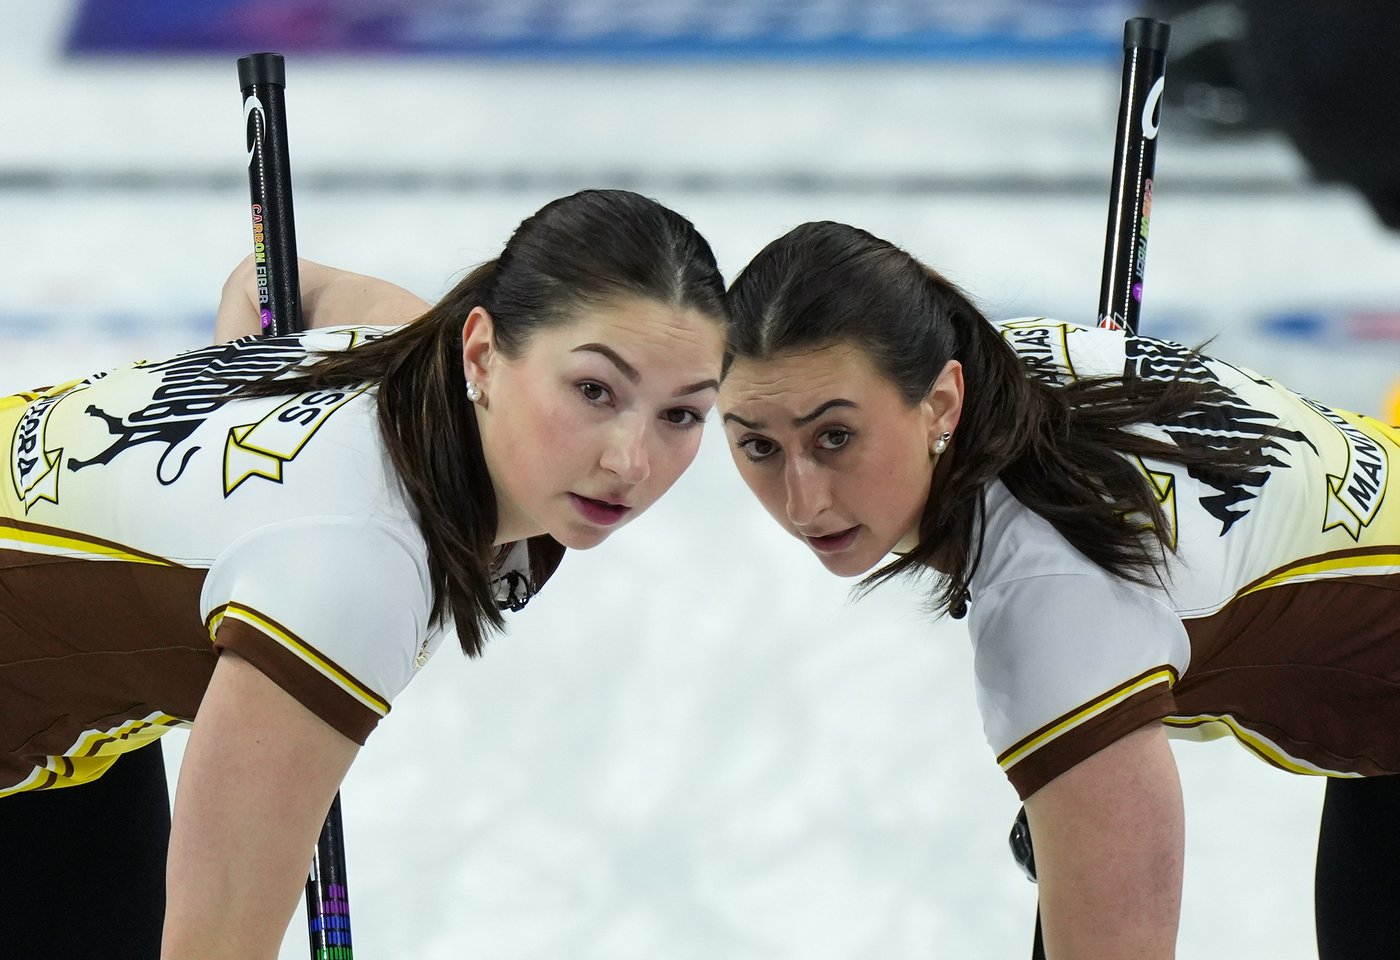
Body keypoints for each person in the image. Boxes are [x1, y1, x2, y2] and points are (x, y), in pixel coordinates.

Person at [0, 188, 729, 959]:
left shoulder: (412, 340)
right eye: (593, 391)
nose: (631, 461)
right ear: (482, 352)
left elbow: (266, 282)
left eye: (680, 414)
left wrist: (231, 458)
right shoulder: (355, 564)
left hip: (64, 716)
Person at [715, 220, 1400, 959]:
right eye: (759, 446)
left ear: (943, 402)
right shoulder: (1007, 365)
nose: (802, 500)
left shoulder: (1053, 595)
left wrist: (1082, 781)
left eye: (835, 437)